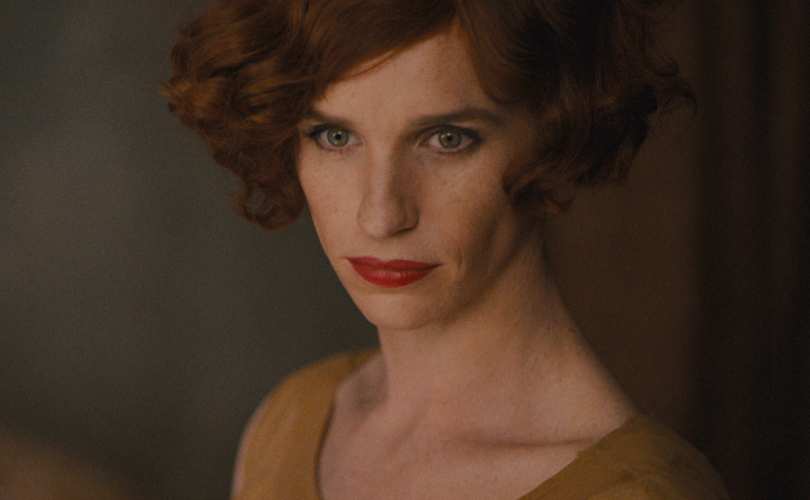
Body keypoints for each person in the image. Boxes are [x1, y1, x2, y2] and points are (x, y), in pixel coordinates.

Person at [161, 0, 730, 498]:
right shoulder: (289, 422)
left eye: (447, 139)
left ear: (557, 135)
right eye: (335, 136)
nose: (381, 215)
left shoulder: (639, 492)